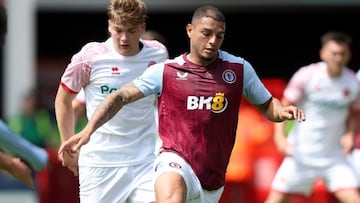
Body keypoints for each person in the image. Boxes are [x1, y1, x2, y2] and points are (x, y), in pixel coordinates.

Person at [59, 5, 305, 203]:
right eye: (206, 33)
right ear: (190, 30)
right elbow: (118, 97)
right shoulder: (166, 70)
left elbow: (268, 106)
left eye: (218, 36)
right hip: (168, 158)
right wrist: (86, 132)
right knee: (171, 191)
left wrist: (282, 111)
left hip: (210, 173)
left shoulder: (238, 70)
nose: (212, 41)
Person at [54, 0, 168, 201]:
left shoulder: (158, 54)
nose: (124, 38)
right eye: (118, 30)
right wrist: (67, 143)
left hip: (145, 162)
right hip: (100, 164)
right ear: (109, 25)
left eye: (131, 31)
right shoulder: (90, 56)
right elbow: (64, 100)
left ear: (142, 27)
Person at [265, 31, 360, 203]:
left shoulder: (353, 82)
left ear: (349, 55)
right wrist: (279, 137)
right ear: (323, 53)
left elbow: (355, 113)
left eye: (342, 54)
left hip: (334, 157)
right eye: (334, 53)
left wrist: (351, 134)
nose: (338, 58)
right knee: (275, 200)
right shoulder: (307, 75)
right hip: (300, 155)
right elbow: (283, 108)